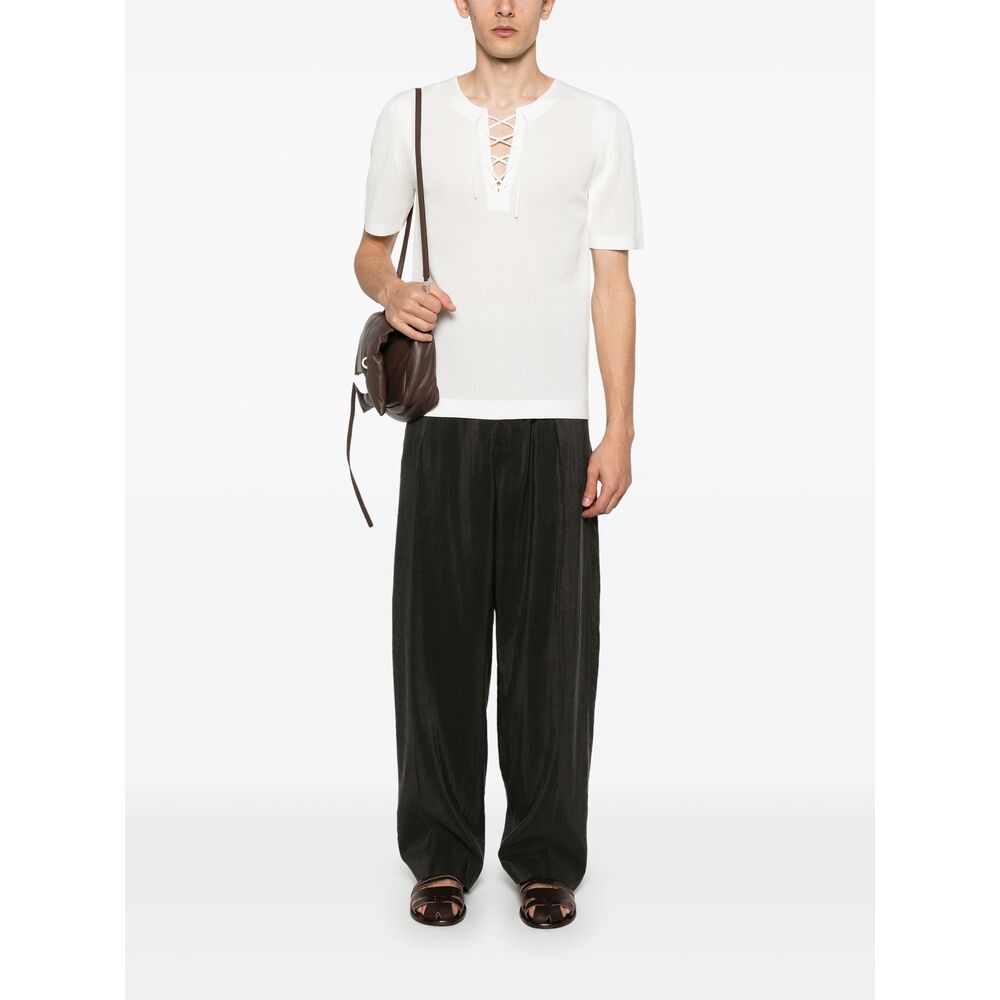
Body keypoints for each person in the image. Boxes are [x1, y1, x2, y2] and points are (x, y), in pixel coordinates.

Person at [353, 0, 642, 929]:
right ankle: (440, 859)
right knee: (435, 652)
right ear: (462, 2)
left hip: (554, 427)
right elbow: (370, 253)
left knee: (551, 658)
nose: (506, 5)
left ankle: (546, 861)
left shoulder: (598, 124)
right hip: (445, 425)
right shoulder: (410, 114)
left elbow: (612, 283)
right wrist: (393, 290)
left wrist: (618, 430)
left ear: (550, 2)